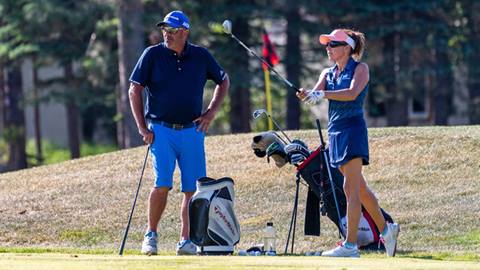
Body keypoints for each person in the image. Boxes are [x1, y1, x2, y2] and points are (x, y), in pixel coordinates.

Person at [128, 10, 230, 255]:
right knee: (162, 183)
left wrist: (210, 113)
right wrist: (143, 127)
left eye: (172, 30)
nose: (167, 34)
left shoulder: (200, 55)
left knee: (192, 189)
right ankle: (150, 234)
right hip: (161, 130)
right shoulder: (152, 54)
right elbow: (135, 89)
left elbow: (223, 80)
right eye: (165, 29)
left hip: (192, 131)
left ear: (185, 32)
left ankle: (186, 240)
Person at [297, 29, 399, 258]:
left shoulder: (360, 69)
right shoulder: (328, 72)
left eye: (333, 44)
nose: (328, 48)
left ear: (347, 48)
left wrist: (321, 95)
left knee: (350, 188)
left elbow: (352, 93)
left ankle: (351, 245)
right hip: (335, 132)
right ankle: (387, 229)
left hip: (352, 129)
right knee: (357, 187)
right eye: (327, 45)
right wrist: (308, 94)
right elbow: (317, 92)